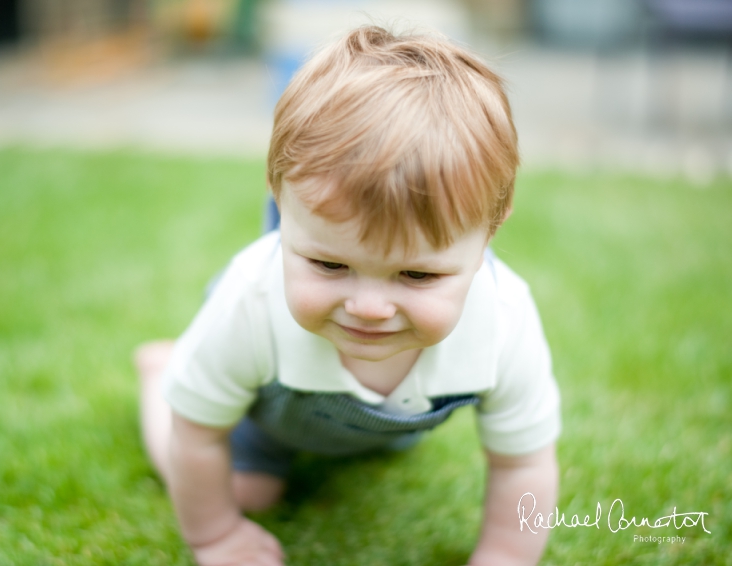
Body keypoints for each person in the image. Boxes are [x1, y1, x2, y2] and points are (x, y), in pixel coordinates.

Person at [136, 26, 561, 566]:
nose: (369, 307)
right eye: (330, 264)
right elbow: (196, 433)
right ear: (280, 200)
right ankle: (160, 373)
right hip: (265, 413)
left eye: (416, 276)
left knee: (382, 454)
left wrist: (504, 555)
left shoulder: (503, 320)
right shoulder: (252, 300)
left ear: (489, 234)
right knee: (247, 491)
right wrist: (216, 537)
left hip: (387, 424)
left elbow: (524, 463)